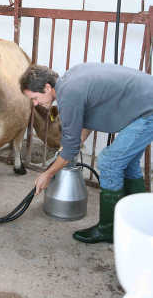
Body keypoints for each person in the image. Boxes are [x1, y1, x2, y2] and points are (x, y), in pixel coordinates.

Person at [19, 62, 153, 244]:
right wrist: (74, 142)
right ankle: (139, 219)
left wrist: (48, 174)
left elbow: (71, 148)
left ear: (47, 87)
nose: (35, 103)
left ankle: (108, 230)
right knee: (127, 164)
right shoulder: (71, 79)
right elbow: (87, 119)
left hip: (148, 111)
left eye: (35, 98)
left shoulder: (69, 95)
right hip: (146, 105)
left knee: (109, 162)